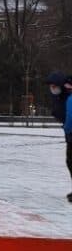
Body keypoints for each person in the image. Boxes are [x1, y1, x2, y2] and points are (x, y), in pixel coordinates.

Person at [45, 72, 72, 202]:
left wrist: (66, 127)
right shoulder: (60, 97)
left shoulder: (70, 97)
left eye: (54, 86)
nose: (52, 88)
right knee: (70, 161)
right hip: (69, 134)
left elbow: (69, 115)